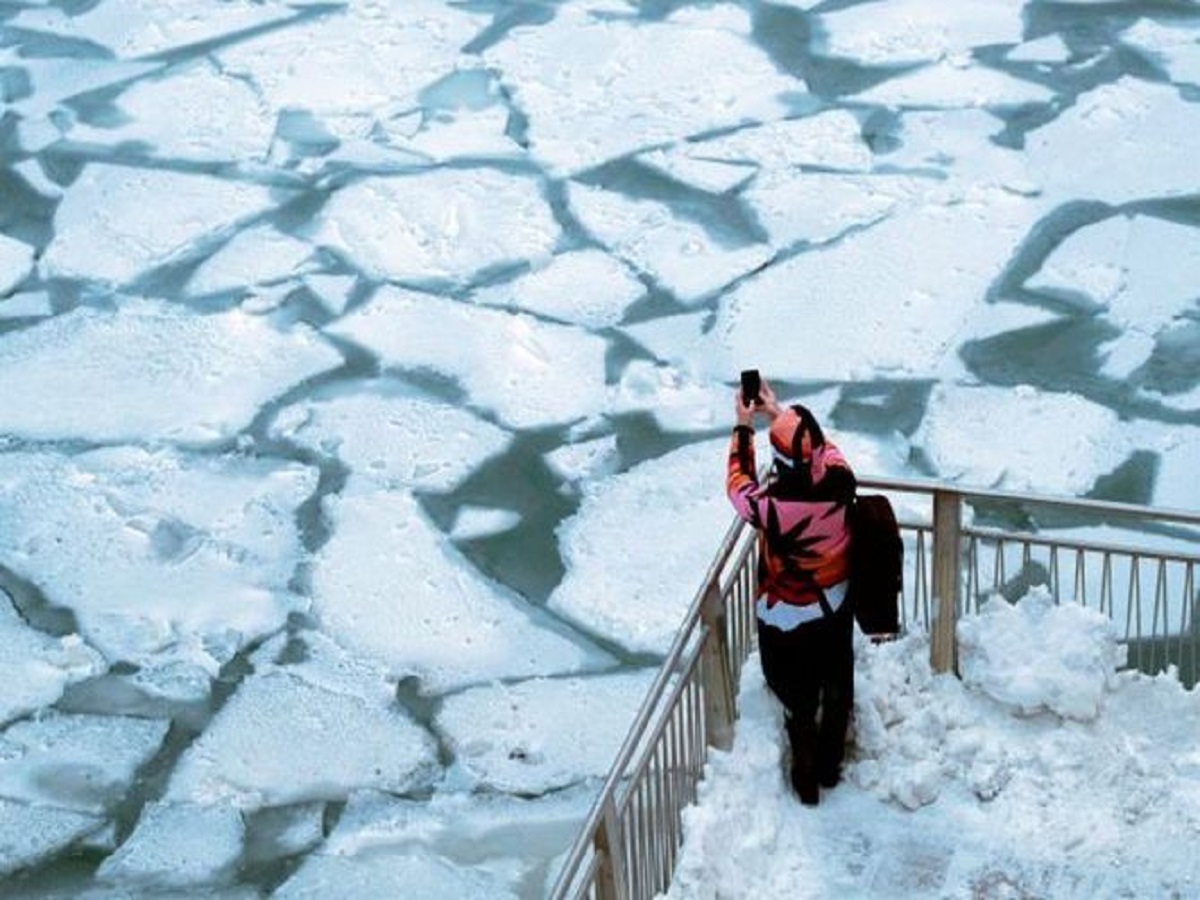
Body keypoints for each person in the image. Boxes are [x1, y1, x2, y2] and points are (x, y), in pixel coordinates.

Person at [726, 377, 857, 806]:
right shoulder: (840, 482)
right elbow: (825, 451)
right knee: (837, 684)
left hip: (788, 617)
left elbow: (738, 485)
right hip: (834, 604)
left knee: (799, 700)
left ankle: (805, 779)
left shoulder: (773, 508)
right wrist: (779, 413)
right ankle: (829, 765)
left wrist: (745, 426)